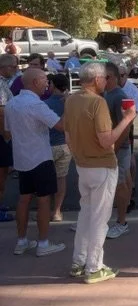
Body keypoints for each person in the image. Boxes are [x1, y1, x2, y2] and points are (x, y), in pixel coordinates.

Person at [64, 62, 136, 284]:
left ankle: (79, 261)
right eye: (105, 78)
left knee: (86, 214)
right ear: (97, 79)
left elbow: (67, 133)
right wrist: (127, 118)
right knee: (99, 219)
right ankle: (94, 267)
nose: (107, 81)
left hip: (83, 165)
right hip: (101, 165)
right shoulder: (98, 102)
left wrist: (78, 155)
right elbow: (106, 140)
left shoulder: (71, 100)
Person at [5, 68, 66, 255]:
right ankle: (43, 244)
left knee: (24, 199)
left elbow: (7, 132)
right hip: (40, 157)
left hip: (22, 158)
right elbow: (61, 126)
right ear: (35, 82)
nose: (47, 83)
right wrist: (69, 106)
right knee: (43, 200)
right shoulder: (36, 105)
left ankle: (22, 241)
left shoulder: (11, 103)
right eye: (44, 80)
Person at [104, 63, 133, 239]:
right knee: (110, 185)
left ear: (114, 77)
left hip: (119, 149)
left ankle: (122, 223)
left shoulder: (119, 96)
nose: (102, 80)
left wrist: (115, 149)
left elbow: (126, 126)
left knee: (120, 185)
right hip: (110, 148)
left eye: (106, 77)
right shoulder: (106, 94)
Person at [45, 74, 71, 221]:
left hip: (48, 145)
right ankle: (57, 211)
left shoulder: (45, 104)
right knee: (61, 178)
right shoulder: (71, 102)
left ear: (53, 85)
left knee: (46, 180)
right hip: (65, 145)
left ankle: (45, 211)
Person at [118, 64, 138, 213]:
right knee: (124, 160)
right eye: (117, 75)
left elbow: (136, 112)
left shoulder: (132, 90)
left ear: (127, 75)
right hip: (113, 127)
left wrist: (125, 125)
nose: (120, 78)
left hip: (127, 127)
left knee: (129, 160)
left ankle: (131, 186)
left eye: (122, 75)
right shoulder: (109, 88)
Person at [0, 54, 17, 222]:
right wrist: (6, 134)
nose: (16, 69)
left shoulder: (4, 82)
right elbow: (1, 112)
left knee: (3, 172)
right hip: (1, 136)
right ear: (4, 67)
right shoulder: (0, 84)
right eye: (13, 66)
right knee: (1, 173)